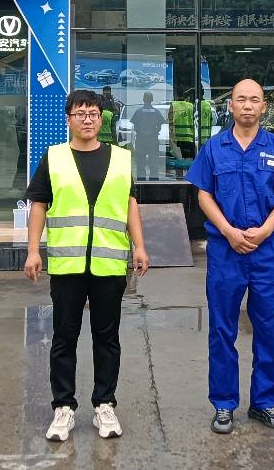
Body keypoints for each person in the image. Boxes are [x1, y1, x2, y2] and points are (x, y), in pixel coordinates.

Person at [23, 90, 150, 442]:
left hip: (109, 264)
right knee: (64, 337)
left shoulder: (120, 158)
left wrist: (140, 246)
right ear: (69, 120)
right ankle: (63, 407)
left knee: (106, 338)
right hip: (68, 265)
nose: (88, 119)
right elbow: (38, 204)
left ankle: (104, 405)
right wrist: (33, 251)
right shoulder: (54, 157)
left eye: (93, 113)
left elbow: (129, 204)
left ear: (101, 118)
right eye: (80, 114)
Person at [188, 78, 274, 435]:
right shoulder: (214, 148)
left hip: (268, 252)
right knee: (222, 329)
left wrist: (265, 231)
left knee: (268, 328)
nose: (248, 105)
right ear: (231, 105)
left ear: (264, 106)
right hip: (226, 251)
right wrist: (229, 232)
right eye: (241, 99)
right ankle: (224, 404)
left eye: (254, 100)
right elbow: (204, 195)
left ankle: (264, 403)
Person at [131, 91, 167, 182]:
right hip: (153, 140)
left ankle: (141, 180)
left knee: (140, 162)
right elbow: (160, 126)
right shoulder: (156, 112)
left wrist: (141, 132)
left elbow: (135, 126)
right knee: (154, 162)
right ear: (152, 99)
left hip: (141, 140)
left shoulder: (139, 111)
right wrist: (153, 132)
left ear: (143, 99)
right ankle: (154, 180)